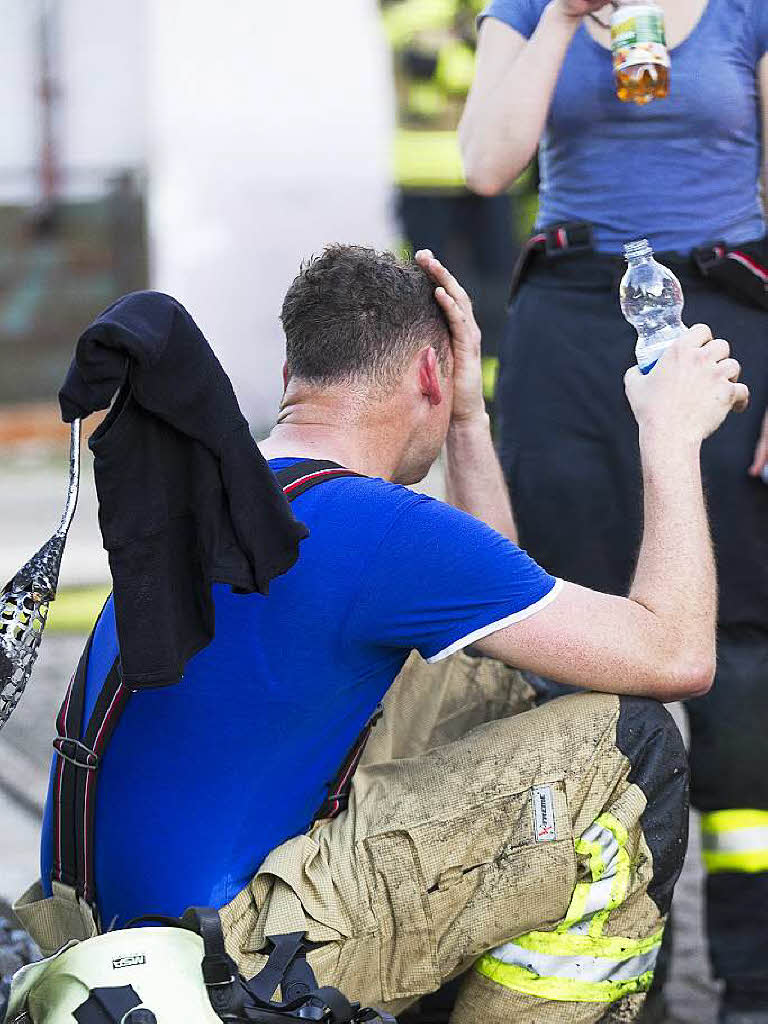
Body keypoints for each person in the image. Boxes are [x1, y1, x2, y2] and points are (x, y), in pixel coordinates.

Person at [18, 246, 746, 1024]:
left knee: (492, 680)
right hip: (232, 971)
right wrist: (670, 437)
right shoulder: (381, 530)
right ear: (430, 374)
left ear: (299, 369)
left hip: (103, 961)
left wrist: (467, 420)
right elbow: (675, 655)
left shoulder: (231, 498)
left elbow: (497, 617)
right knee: (626, 745)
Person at [460, 1, 768, 1019]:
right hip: (574, 319)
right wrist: (556, 23)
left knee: (742, 646)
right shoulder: (526, 11)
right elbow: (483, 165)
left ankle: (752, 968)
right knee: (574, 638)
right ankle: (617, 948)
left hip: (728, 306)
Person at [380, 0, 519, 371]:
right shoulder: (409, 10)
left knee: (496, 284)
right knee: (425, 290)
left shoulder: (486, 9)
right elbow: (442, 69)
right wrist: (492, 60)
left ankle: (490, 381)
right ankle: (427, 375)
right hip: (427, 175)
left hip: (489, 171)